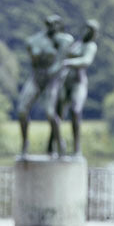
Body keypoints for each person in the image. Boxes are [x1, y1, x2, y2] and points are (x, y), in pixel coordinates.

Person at [17, 14, 74, 155]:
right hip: (36, 78)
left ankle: (59, 143)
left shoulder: (63, 40)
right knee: (22, 110)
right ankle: (25, 143)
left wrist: (52, 71)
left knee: (50, 113)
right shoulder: (34, 40)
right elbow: (31, 51)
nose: (52, 27)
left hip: (52, 80)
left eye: (56, 24)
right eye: (50, 24)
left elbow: (59, 62)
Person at [46, 19, 98, 156]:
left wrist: (69, 62)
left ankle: (76, 148)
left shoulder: (91, 46)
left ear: (93, 33)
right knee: (57, 114)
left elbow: (86, 61)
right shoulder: (76, 44)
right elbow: (61, 53)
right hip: (65, 83)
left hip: (78, 83)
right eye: (86, 28)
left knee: (75, 111)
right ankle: (52, 146)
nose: (86, 32)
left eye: (90, 30)